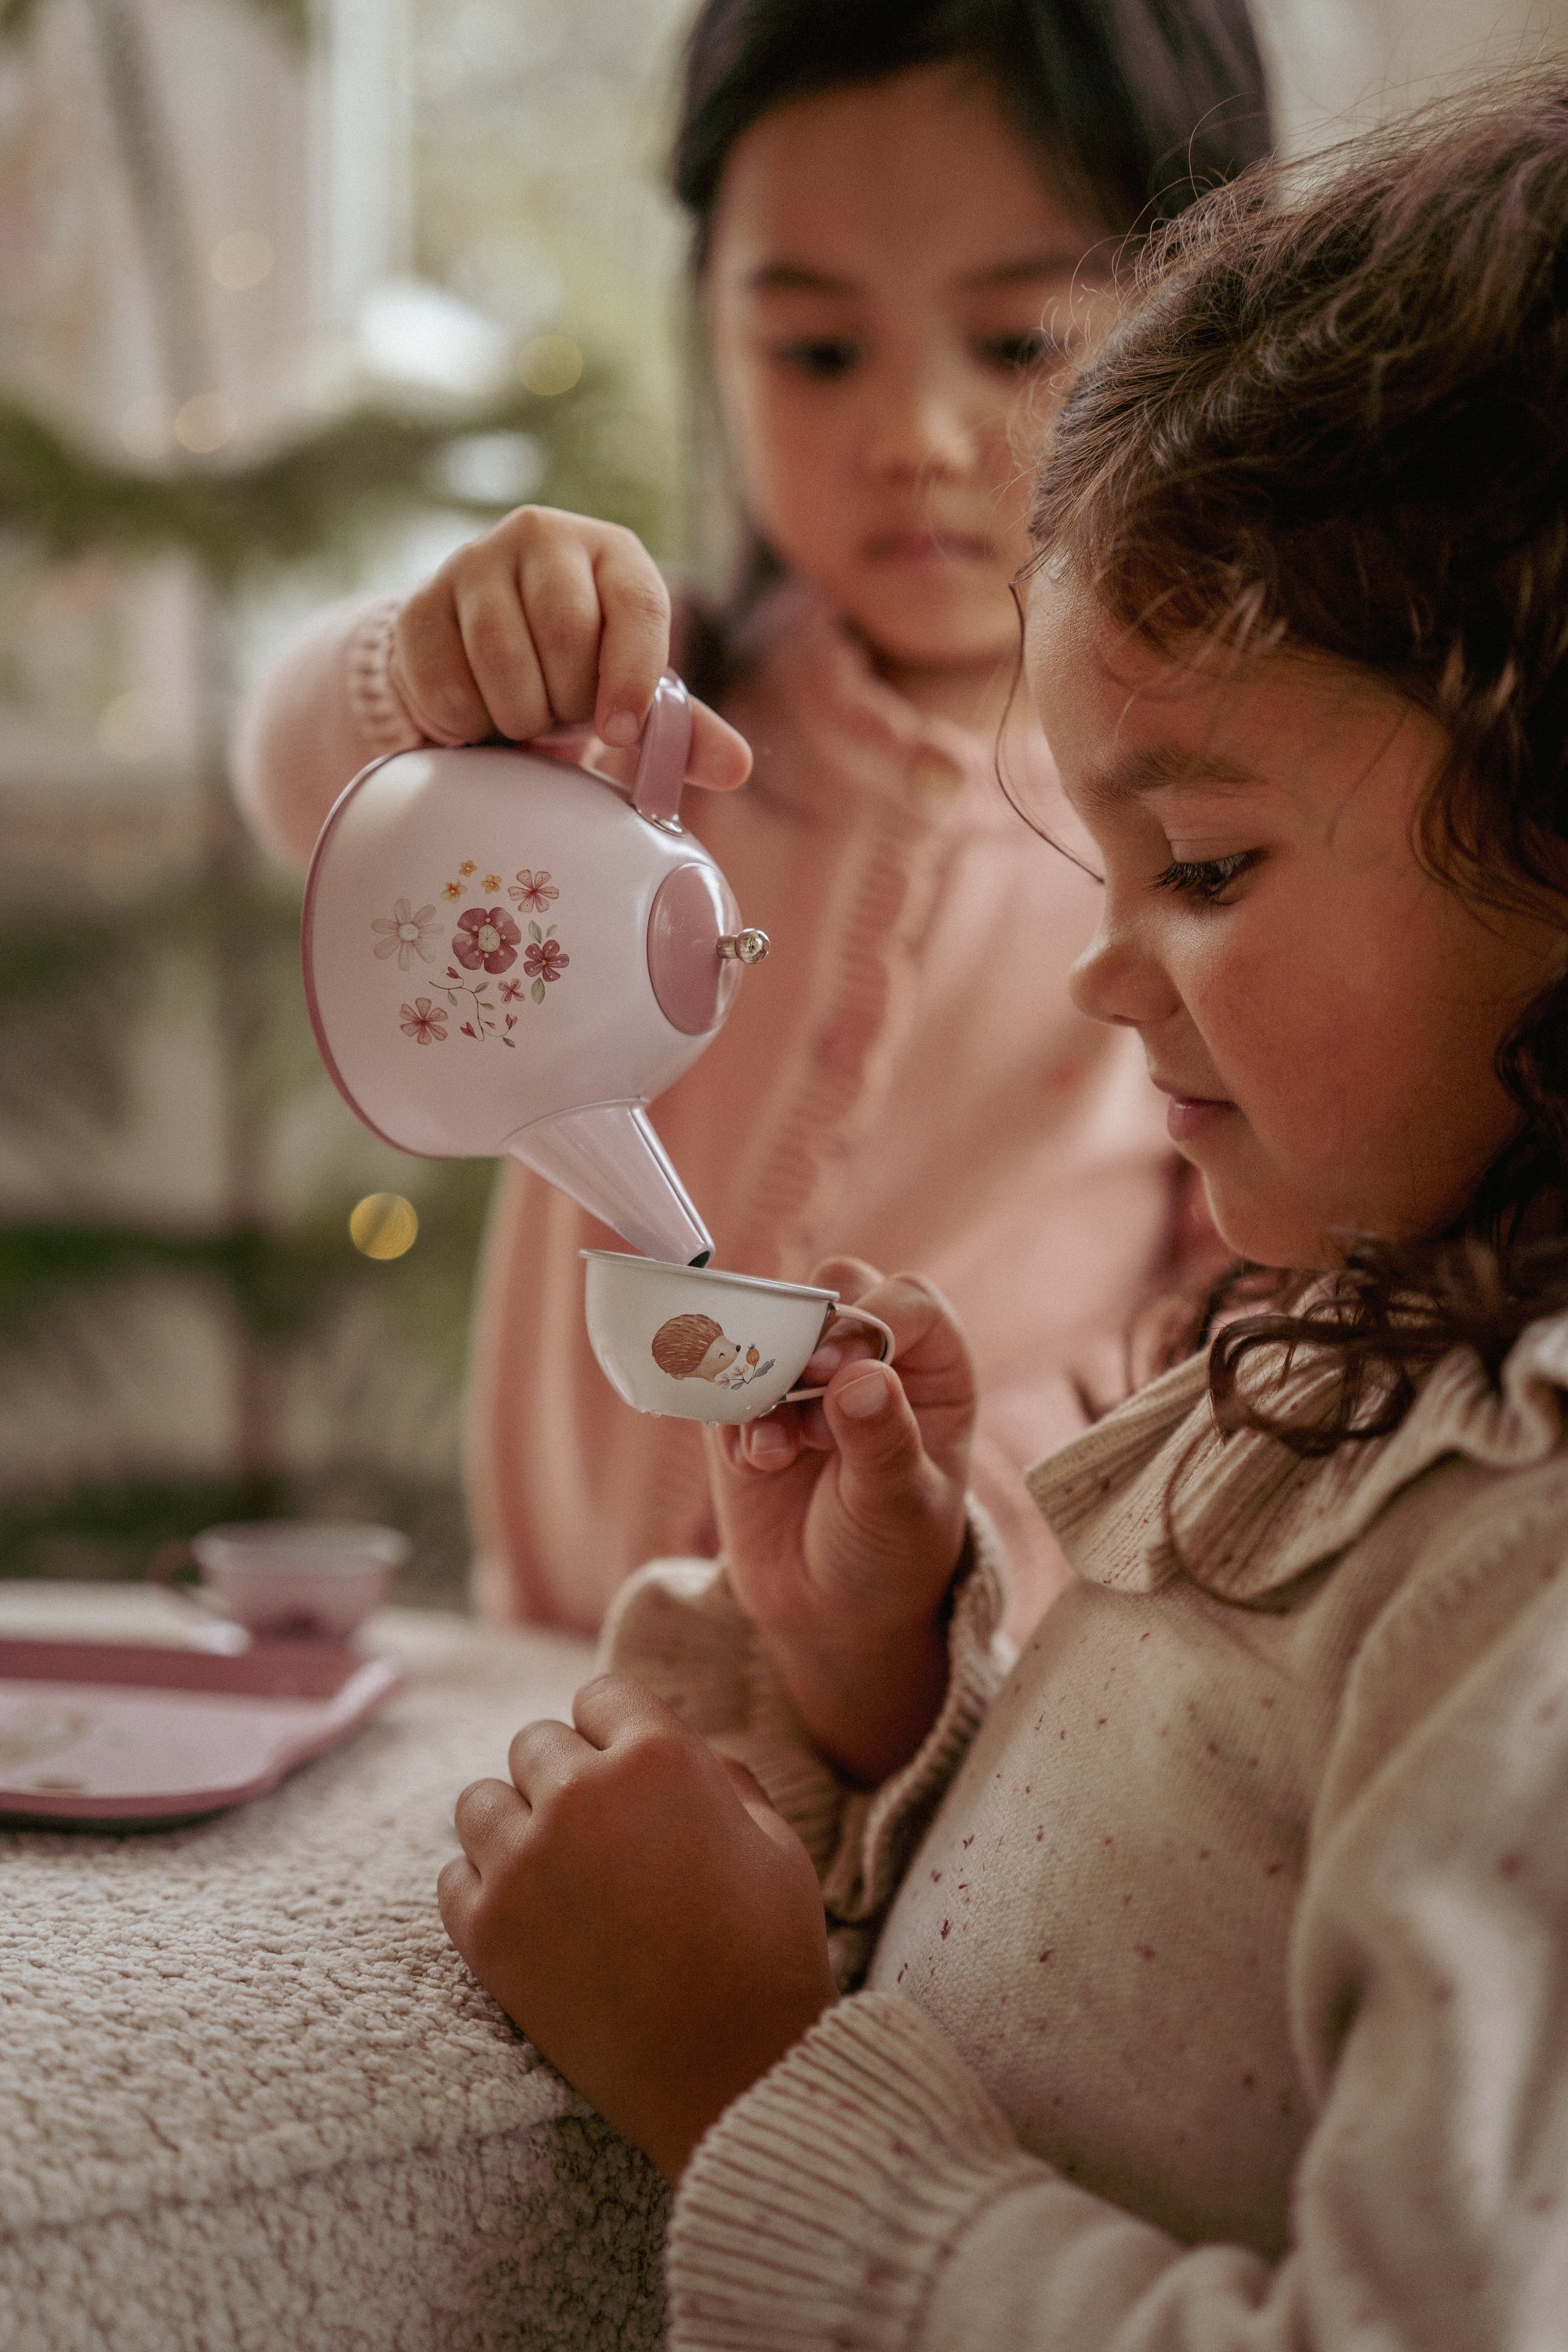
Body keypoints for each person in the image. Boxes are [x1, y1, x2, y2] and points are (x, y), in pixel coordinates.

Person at [438, 78, 1568, 2346]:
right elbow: (1133, 1963)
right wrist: (879, 1682)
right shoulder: (1341, 1380)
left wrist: (743, 2076)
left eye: (1207, 868)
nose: (1100, 974)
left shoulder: (1523, 1577)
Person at [234, 0, 1269, 1639]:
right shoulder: (630, 725)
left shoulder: (1209, 831)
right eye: (818, 353)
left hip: (966, 1694)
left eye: (1018, 345)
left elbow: (1226, 1322)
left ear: (1210, 329)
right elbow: (302, 781)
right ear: (712, 325)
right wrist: (428, 672)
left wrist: (932, 1529)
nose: (913, 439)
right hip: (563, 1673)